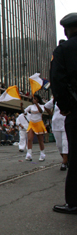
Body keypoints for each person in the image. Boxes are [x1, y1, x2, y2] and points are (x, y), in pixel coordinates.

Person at [50, 13, 77, 214]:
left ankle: (74, 202)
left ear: (67, 30)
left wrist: (65, 106)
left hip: (76, 110)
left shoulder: (64, 50)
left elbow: (58, 81)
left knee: (75, 156)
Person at [44, 98, 68, 170]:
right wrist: (52, 115)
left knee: (65, 143)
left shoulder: (70, 98)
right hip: (56, 125)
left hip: (66, 124)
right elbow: (46, 106)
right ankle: (67, 159)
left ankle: (64, 162)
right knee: (59, 145)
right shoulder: (56, 99)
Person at [22, 95, 46, 162]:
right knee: (29, 139)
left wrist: (36, 104)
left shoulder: (41, 106)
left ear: (38, 100)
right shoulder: (30, 106)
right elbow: (24, 112)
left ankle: (42, 154)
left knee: (40, 140)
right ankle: (29, 154)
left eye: (35, 99)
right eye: (33, 99)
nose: (33, 100)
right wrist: (21, 106)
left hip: (39, 123)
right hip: (32, 123)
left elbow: (41, 111)